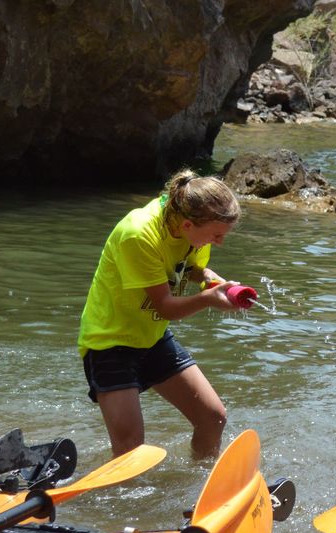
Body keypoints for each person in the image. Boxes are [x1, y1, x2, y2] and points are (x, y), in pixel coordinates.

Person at [78, 169, 250, 458]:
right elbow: (164, 306)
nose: (219, 242)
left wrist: (206, 275)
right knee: (131, 449)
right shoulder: (139, 234)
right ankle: (123, 502)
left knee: (213, 418)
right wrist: (208, 299)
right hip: (110, 343)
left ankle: (201, 487)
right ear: (186, 225)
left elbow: (188, 266)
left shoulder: (191, 229)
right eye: (216, 235)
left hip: (152, 337)